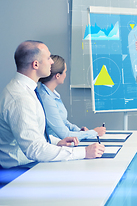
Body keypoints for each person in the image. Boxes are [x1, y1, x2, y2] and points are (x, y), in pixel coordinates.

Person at [0, 41, 105, 170]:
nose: (52, 62)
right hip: (19, 171)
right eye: (48, 58)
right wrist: (84, 152)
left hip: (29, 164)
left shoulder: (27, 90)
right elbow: (34, 149)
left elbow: (33, 134)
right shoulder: (20, 98)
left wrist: (56, 142)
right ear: (36, 64)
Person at [38, 55, 106, 140]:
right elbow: (65, 135)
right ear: (57, 76)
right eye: (65, 72)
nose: (66, 75)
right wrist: (94, 132)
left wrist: (78, 130)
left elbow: (63, 122)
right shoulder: (46, 99)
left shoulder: (52, 94)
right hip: (56, 145)